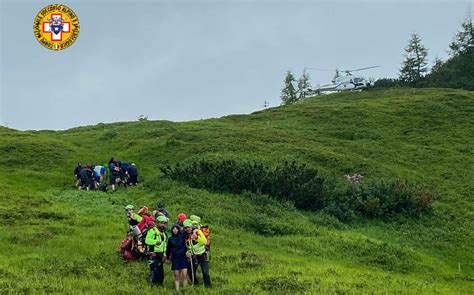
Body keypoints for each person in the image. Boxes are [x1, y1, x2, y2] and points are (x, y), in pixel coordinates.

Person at [184, 219, 211, 288]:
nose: (187, 229)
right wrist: (188, 252)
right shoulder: (186, 236)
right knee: (190, 272)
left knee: (205, 272)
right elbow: (188, 246)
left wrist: (196, 238)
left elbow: (204, 242)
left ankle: (208, 287)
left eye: (188, 227)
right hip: (194, 257)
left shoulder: (198, 232)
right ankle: (195, 285)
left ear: (191, 226)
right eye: (186, 227)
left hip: (202, 255)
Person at [145, 215, 168, 287]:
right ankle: (153, 285)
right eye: (161, 223)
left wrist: (164, 254)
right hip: (153, 254)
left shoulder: (164, 233)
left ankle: (160, 284)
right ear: (157, 223)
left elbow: (164, 245)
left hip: (161, 254)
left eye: (164, 223)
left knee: (161, 270)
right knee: (154, 269)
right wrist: (155, 242)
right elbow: (147, 240)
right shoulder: (152, 231)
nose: (163, 224)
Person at [166, 224, 189, 291]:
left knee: (184, 274)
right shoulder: (170, 239)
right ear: (172, 230)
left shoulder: (182, 236)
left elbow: (187, 229)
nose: (175, 230)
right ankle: (177, 290)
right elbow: (168, 249)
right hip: (175, 258)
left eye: (176, 228)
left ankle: (185, 289)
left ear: (179, 229)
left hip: (183, 257)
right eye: (173, 229)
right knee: (176, 276)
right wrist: (167, 258)